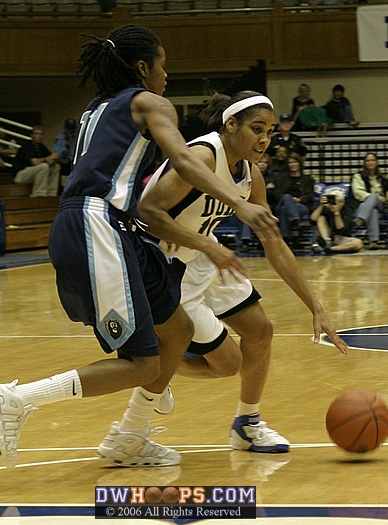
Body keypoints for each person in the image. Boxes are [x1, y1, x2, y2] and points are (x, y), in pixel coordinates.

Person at [0, 25, 280, 469]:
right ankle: (16, 398)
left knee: (175, 330)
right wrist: (239, 203)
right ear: (143, 68)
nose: (166, 75)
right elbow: (181, 159)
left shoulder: (96, 108)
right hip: (97, 222)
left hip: (116, 228)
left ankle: (130, 438)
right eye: (163, 65)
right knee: (143, 364)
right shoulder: (150, 102)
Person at [132, 91, 348, 455]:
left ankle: (247, 425)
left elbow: (274, 243)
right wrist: (209, 247)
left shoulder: (250, 174)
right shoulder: (202, 155)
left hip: (205, 254)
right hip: (166, 263)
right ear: (230, 125)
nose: (264, 139)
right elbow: (146, 213)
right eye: (256, 129)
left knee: (261, 331)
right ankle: (155, 368)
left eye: (269, 131)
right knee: (227, 364)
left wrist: (316, 306)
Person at [275, 152, 315, 247]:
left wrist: (299, 200)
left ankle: (286, 238)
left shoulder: (308, 179)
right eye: (290, 163)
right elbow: (278, 194)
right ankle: (296, 222)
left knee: (285, 209)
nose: (292, 165)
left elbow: (310, 195)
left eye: (294, 162)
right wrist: (290, 199)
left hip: (301, 205)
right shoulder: (282, 179)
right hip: (284, 202)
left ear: (299, 163)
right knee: (287, 197)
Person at [349, 152, 387, 250]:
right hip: (361, 205)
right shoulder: (358, 176)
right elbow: (358, 193)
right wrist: (374, 197)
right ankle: (374, 241)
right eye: (368, 161)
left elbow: (386, 194)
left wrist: (382, 198)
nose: (370, 162)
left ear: (377, 162)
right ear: (364, 163)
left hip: (380, 205)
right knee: (372, 210)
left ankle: (360, 219)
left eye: (373, 160)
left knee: (374, 199)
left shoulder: (381, 178)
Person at [310, 189, 364, 254]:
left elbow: (340, 230)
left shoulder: (346, 211)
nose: (333, 202)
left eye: (336, 201)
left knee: (358, 243)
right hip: (325, 237)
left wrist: (336, 212)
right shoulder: (324, 208)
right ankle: (327, 242)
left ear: (342, 202)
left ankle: (329, 249)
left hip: (340, 238)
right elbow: (313, 220)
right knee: (321, 218)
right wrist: (321, 205)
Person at [12, 125, 60, 197]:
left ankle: (52, 193)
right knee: (44, 166)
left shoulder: (41, 146)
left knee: (56, 166)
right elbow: (34, 162)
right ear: (32, 135)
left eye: (41, 134)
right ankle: (38, 194)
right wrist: (48, 158)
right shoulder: (27, 145)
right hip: (20, 175)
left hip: (34, 173)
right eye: (37, 134)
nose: (39, 136)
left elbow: (51, 159)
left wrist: (52, 160)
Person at [53, 118, 77, 190]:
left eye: (72, 129)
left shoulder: (78, 136)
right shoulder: (60, 137)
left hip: (75, 161)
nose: (71, 131)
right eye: (69, 129)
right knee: (57, 167)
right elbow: (57, 153)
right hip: (63, 162)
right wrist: (67, 144)